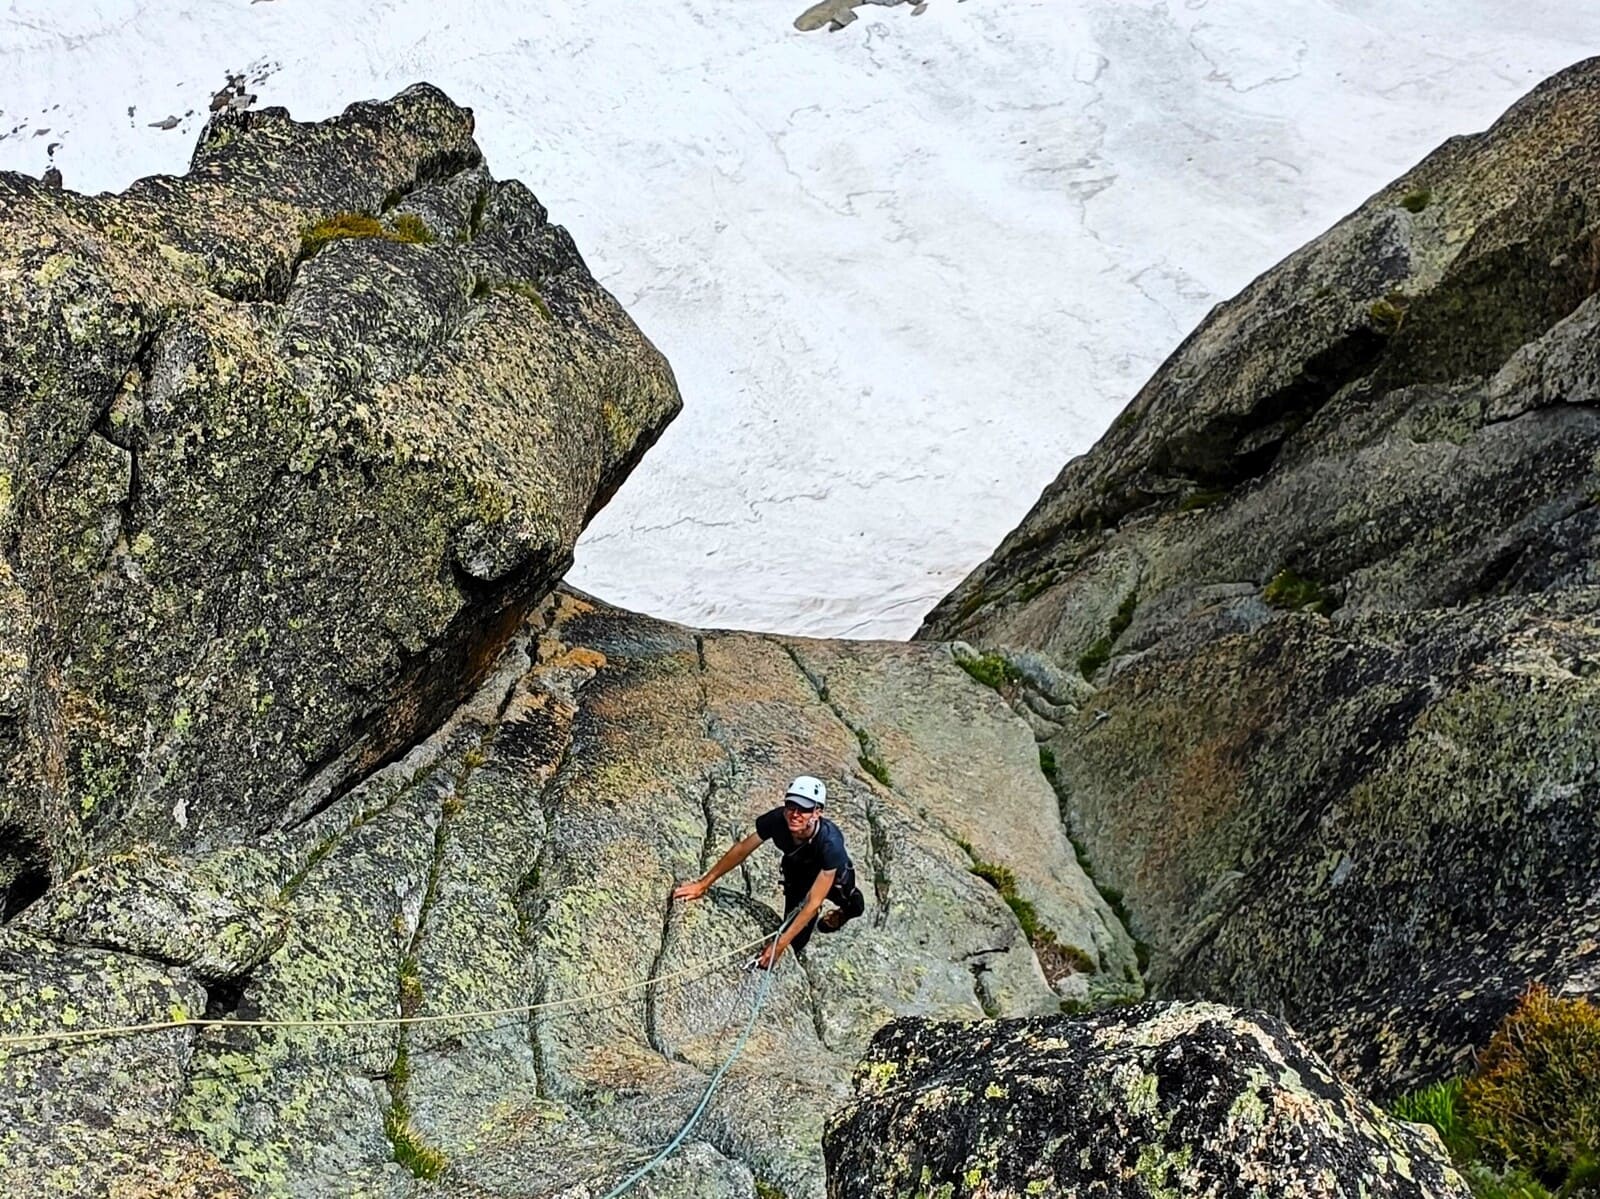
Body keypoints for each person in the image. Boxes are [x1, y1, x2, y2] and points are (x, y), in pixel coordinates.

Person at [671, 775, 866, 969]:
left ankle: (842, 915)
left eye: (804, 809)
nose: (795, 814)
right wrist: (703, 884)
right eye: (791, 806)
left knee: (855, 905)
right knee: (796, 939)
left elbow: (814, 903)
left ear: (817, 813)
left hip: (833, 878)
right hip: (799, 873)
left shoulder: (830, 843)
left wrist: (778, 946)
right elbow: (741, 850)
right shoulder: (777, 820)